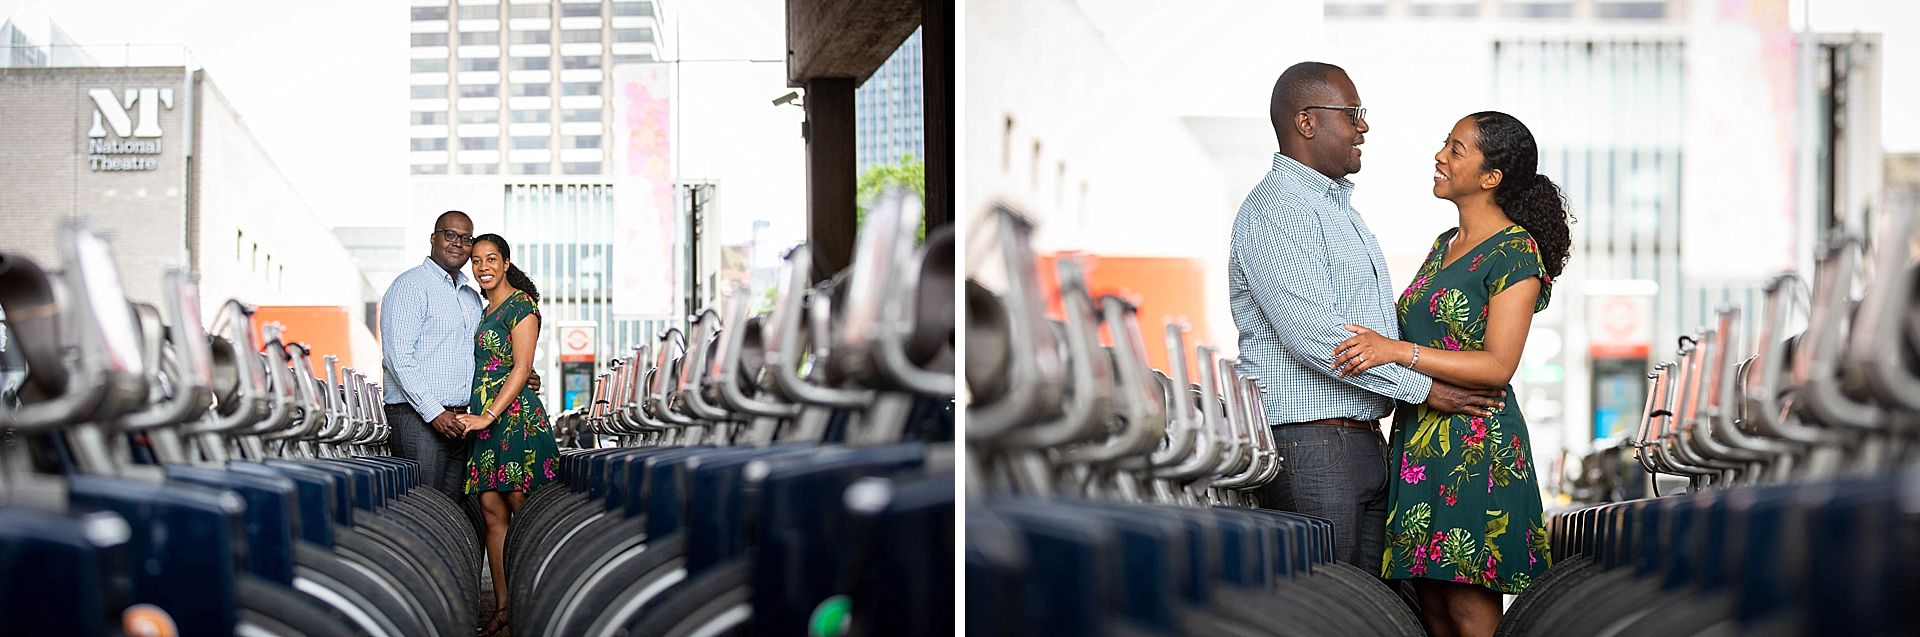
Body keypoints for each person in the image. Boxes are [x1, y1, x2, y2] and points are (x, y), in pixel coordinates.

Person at [1229, 62, 1508, 572]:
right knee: (1331, 611)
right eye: (1353, 114)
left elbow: (1378, 335)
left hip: (1358, 442)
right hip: (1310, 445)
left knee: (1373, 611)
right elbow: (1317, 337)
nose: (1364, 127)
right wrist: (1428, 390)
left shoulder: (1340, 213)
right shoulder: (1279, 207)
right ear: (1307, 122)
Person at [1329, 111, 1571, 637]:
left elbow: (1497, 365)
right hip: (1420, 438)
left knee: (1466, 608)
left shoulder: (1516, 252)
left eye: (1456, 149)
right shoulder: (1445, 245)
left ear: (1491, 177)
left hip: (1475, 441)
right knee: (1432, 606)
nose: (1440, 157)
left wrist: (1397, 352)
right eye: (1445, 145)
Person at [454, 233, 562, 637]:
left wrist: (487, 415)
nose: (483, 267)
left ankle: (534, 606)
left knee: (523, 509)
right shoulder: (485, 309)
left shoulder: (522, 306)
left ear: (505, 262)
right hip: (486, 420)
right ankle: (502, 609)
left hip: (513, 419)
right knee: (491, 511)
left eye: (491, 259)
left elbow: (522, 368)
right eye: (477, 261)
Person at [382, 211, 487, 501]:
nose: (457, 243)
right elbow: (398, 358)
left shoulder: (471, 296)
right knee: (423, 510)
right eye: (450, 235)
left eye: (466, 238)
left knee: (450, 516)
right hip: (418, 419)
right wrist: (435, 413)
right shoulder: (410, 286)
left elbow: (478, 355)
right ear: (433, 238)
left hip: (460, 422)